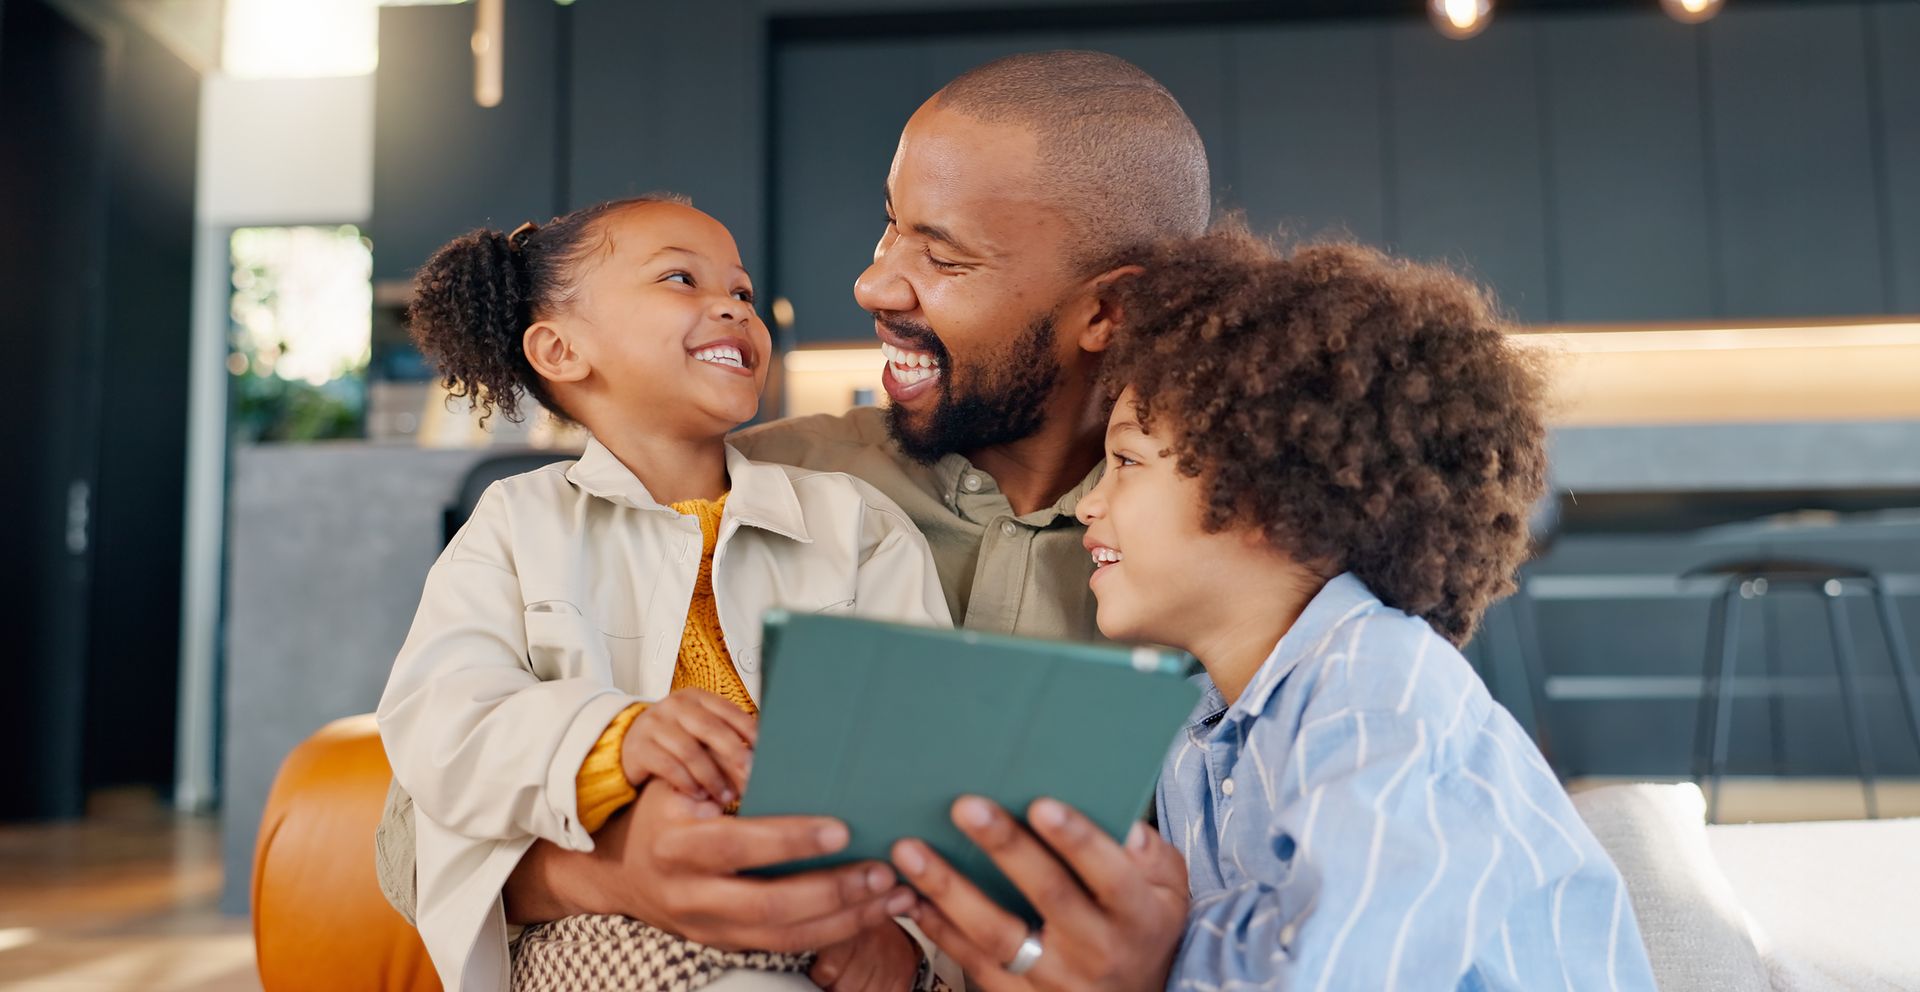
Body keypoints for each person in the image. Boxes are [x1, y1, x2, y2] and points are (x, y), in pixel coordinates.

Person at [376, 50, 1217, 992]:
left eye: (942, 255)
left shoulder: (1226, 543)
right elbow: (413, 821)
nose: (873, 285)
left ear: (1110, 309)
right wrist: (623, 872)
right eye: (889, 227)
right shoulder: (760, 471)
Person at [894, 225, 1660, 991]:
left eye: (1127, 462)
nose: (1090, 505)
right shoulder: (1194, 733)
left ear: (1265, 495)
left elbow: (1341, 973)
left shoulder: (1377, 686)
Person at [377, 195, 954, 992]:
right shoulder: (516, 525)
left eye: (743, 293)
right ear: (560, 349)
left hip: (825, 916)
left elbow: (928, 744)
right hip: (600, 928)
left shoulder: (856, 524)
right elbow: (445, 720)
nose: (732, 306)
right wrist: (613, 738)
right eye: (680, 279)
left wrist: (899, 933)